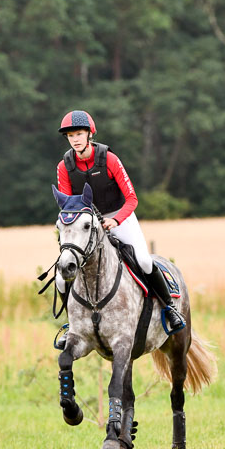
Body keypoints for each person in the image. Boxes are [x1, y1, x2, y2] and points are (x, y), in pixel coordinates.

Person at [54, 109, 185, 348]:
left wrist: (115, 221)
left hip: (118, 215)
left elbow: (132, 198)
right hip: (86, 224)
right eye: (71, 135)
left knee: (144, 261)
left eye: (79, 133)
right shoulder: (64, 166)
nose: (75, 139)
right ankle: (71, 324)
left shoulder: (109, 159)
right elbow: (67, 204)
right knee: (61, 277)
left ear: (90, 134)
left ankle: (170, 309)